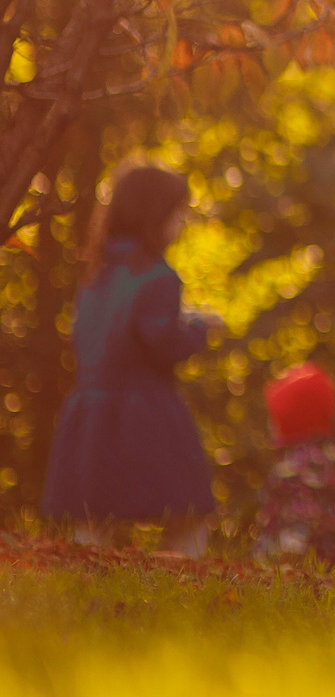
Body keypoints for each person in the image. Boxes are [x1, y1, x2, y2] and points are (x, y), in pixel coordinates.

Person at [42, 164, 221, 555]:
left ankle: (82, 591)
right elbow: (165, 344)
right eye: (178, 213)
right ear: (155, 216)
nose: (183, 222)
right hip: (143, 413)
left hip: (89, 411)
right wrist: (200, 328)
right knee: (188, 512)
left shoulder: (96, 272)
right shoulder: (158, 277)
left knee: (91, 519)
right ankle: (182, 591)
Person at [253, 361, 335, 563]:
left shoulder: (299, 467)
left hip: (290, 564)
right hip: (322, 559)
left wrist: (282, 561)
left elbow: (299, 520)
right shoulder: (328, 457)